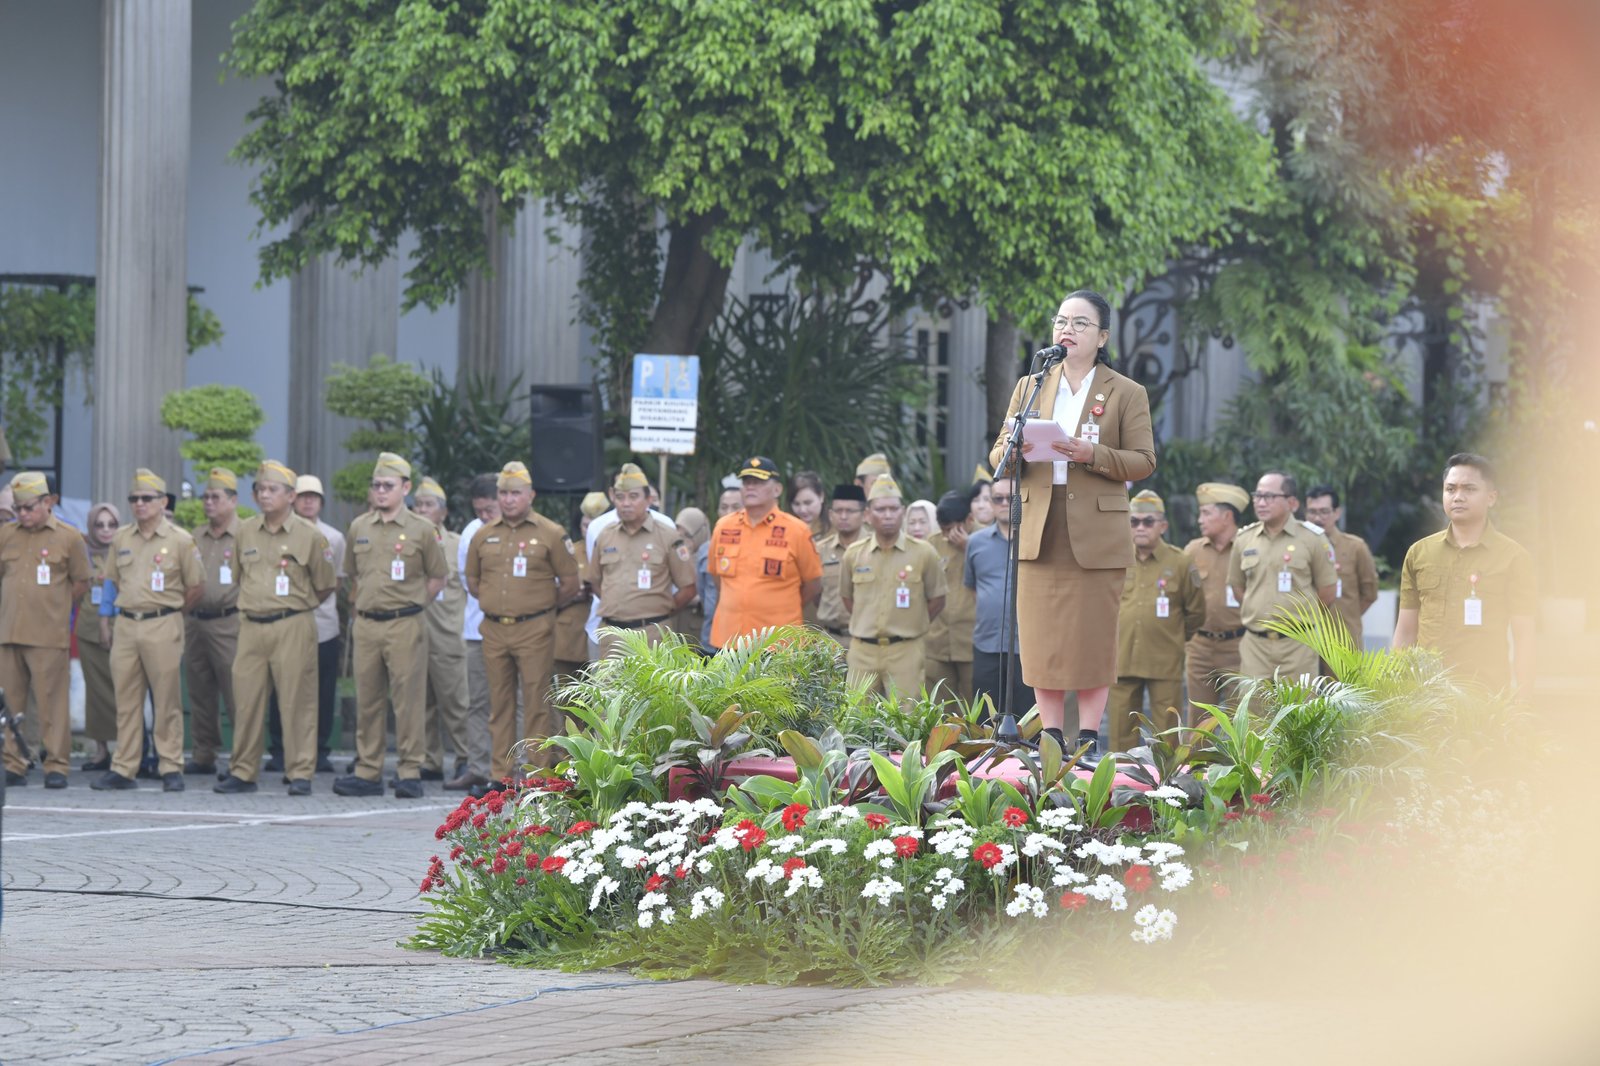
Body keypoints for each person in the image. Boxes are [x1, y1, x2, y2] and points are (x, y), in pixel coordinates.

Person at [990, 289, 1156, 761]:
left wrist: (1092, 455)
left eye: (1081, 323)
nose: (1068, 329)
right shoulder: (1031, 386)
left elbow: (1144, 461)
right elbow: (997, 454)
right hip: (1039, 524)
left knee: (1093, 638)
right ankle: (1050, 736)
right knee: (1041, 638)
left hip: (1096, 531)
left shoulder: (1126, 392)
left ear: (1102, 336)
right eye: (1062, 321)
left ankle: (1086, 737)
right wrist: (1015, 449)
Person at [215, 460, 337, 795]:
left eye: (272, 490)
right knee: (247, 700)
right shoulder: (245, 531)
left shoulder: (310, 536)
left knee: (297, 700)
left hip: (292, 623)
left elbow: (325, 585)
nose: (264, 496)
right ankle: (242, 771)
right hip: (251, 624)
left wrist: (297, 604)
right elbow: (240, 575)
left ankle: (300, 772)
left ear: (291, 496)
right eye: (260, 490)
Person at [334, 453, 447, 798]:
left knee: (408, 700)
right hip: (367, 624)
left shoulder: (422, 529)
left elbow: (437, 577)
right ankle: (368, 771)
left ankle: (410, 770)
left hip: (404, 623)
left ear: (406, 488)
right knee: (367, 700)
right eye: (376, 485)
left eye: (388, 485)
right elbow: (352, 574)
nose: (380, 491)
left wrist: (412, 606)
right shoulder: (359, 527)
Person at [463, 460, 579, 779]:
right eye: (503, 493)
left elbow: (571, 584)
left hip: (536, 629)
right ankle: (501, 774)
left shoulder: (551, 533)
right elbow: (473, 582)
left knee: (536, 703)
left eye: (515, 493)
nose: (508, 499)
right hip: (494, 629)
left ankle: (537, 773)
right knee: (499, 705)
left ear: (531, 495)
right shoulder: (483, 534)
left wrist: (540, 607)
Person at [93, 468, 204, 791]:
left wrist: (172, 612)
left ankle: (170, 766)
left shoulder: (180, 540)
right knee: (126, 700)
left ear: (163, 501)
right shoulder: (122, 538)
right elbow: (112, 580)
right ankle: (125, 767)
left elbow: (196, 586)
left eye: (146, 498)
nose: (139, 504)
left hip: (163, 622)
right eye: (134, 499)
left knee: (166, 699)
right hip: (127, 624)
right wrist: (108, 619)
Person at [1393, 453, 1535, 694]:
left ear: (1491, 498)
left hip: (1486, 694)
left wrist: (1523, 698)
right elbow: (1406, 631)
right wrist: (1395, 692)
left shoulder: (1514, 557)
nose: (1458, 497)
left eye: (1469, 489)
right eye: (1450, 489)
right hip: (1425, 695)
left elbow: (1524, 637)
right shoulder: (1419, 553)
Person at [0, 472, 91, 788]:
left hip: (48, 635)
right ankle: (15, 762)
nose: (22, 514)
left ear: (48, 502)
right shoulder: (6, 534)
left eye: (28, 508)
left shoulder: (69, 537)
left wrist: (54, 607)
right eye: (18, 508)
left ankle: (56, 764)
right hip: (9, 633)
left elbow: (81, 582)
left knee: (52, 703)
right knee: (11, 705)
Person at [1108, 490, 1205, 753]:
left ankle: (1166, 785)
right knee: (1120, 732)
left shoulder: (1181, 562)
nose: (1140, 527)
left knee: (1167, 731)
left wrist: (1172, 637)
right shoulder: (1114, 559)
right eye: (1134, 521)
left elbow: (1196, 612)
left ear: (1162, 525)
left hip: (1164, 659)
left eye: (1148, 522)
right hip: (1122, 657)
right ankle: (1120, 783)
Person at [841, 476, 946, 704]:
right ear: (868, 514)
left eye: (893, 509)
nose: (887, 515)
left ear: (903, 512)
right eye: (880, 509)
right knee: (856, 718)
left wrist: (911, 622)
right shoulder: (854, 554)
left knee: (906, 719)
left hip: (906, 650)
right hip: (862, 651)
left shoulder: (923, 552)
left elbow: (937, 599)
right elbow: (848, 599)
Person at [1228, 470, 1338, 681]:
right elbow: (1238, 589)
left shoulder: (1312, 539)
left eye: (1269, 497)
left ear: (1292, 503)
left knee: (1299, 710)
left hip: (1298, 645)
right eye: (1257, 496)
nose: (1261, 502)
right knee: (1254, 711)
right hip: (1255, 645)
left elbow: (1328, 593)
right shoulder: (1244, 539)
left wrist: (1300, 619)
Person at [708, 456, 823, 650]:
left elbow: (813, 584)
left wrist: (783, 608)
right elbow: (717, 578)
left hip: (778, 643)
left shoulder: (797, 530)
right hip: (730, 640)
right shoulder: (724, 527)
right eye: (746, 482)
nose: (750, 487)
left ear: (777, 489)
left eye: (759, 482)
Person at [592, 464, 698, 658]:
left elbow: (688, 588)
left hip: (652, 634)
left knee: (652, 689)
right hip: (612, 635)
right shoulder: (605, 536)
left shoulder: (667, 536)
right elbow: (596, 582)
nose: (626, 503)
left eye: (633, 497)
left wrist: (661, 611)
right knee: (610, 688)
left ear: (648, 499)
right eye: (620, 497)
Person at [184, 468, 241, 777]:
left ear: (233, 501)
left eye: (216, 497)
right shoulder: (194, 536)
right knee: (199, 691)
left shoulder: (245, 534)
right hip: (194, 622)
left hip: (229, 622)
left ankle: (241, 759)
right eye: (206, 497)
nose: (209, 502)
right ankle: (204, 753)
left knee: (236, 692)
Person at [965, 476, 1036, 721]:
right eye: (998, 499)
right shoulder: (975, 543)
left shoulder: (1037, 540)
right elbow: (973, 588)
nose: (1005, 503)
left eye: (1011, 498)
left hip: (1028, 648)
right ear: (991, 503)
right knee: (986, 722)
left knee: (1029, 725)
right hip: (987, 645)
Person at [446, 474, 500, 793]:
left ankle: (514, 771)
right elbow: (471, 583)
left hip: (515, 629)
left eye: (489, 509)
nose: (484, 516)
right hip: (477, 628)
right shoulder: (471, 532)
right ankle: (478, 767)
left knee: (514, 701)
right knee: (477, 702)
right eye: (479, 510)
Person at [415, 476, 471, 781]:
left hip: (448, 631)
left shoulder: (457, 544)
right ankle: (429, 760)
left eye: (428, 505)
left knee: (456, 703)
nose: (422, 510)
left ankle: (464, 756)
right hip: (415, 632)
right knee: (421, 703)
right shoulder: (407, 540)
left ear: (443, 512)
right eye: (418, 504)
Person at [292, 475, 345, 772]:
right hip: (288, 624)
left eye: (314, 496)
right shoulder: (286, 534)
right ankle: (281, 745)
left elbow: (336, 581)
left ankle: (320, 748)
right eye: (303, 496)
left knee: (323, 689)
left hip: (323, 622)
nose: (308, 501)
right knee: (285, 687)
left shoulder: (333, 537)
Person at [1183, 482, 1250, 715]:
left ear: (1227, 516)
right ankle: (1198, 755)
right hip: (1200, 648)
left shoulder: (1250, 548)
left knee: (1240, 719)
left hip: (1239, 646)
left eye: (1206, 513)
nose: (1200, 520)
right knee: (1199, 721)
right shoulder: (1193, 550)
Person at [1304, 485, 1380, 649]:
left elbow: (1369, 594)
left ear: (1337, 513)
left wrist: (1347, 618)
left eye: (1324, 512)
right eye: (1312, 512)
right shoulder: (1296, 548)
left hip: (1342, 642)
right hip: (1302, 642)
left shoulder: (1355, 547)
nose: (1318, 518)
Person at [76, 502, 121, 772]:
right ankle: (101, 749)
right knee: (95, 693)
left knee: (122, 692)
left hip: (121, 627)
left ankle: (124, 750)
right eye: (99, 525)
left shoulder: (126, 549)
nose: (105, 531)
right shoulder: (81, 552)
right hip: (88, 628)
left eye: (111, 524)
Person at [924, 490, 976, 704]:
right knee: (941, 708)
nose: (948, 536)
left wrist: (969, 546)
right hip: (937, 641)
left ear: (969, 520)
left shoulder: (986, 540)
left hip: (972, 640)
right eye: (944, 530)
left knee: (976, 707)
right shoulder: (931, 544)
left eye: (954, 529)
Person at [813, 484, 867, 649]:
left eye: (850, 511)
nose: (843, 516)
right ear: (830, 514)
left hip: (866, 640)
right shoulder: (819, 550)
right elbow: (816, 592)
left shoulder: (874, 548)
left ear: (864, 514)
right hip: (830, 639)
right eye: (838, 511)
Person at [696, 485, 744, 649]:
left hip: (745, 639)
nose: (729, 512)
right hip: (712, 635)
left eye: (736, 507)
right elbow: (702, 590)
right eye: (724, 507)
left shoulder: (756, 547)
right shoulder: (706, 549)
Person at [668, 506, 710, 645]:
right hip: (673, 625)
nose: (682, 541)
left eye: (687, 535)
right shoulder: (673, 555)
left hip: (697, 626)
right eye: (678, 535)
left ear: (700, 533)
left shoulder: (709, 557)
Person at [788, 470, 829, 538]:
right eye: (796, 504)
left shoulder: (837, 527)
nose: (802, 510)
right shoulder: (784, 529)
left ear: (821, 497)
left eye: (808, 503)